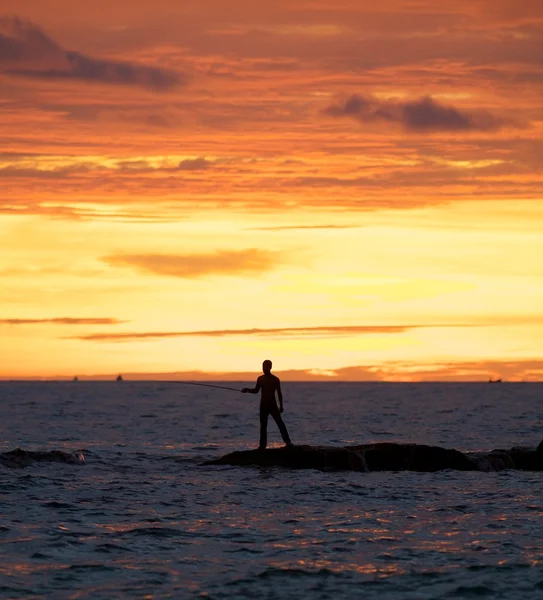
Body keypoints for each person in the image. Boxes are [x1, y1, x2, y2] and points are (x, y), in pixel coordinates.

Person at [242, 360, 293, 450]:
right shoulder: (260, 379)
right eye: (263, 366)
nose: (263, 368)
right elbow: (256, 390)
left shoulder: (275, 379)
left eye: (265, 366)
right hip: (263, 405)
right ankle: (262, 445)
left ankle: (288, 442)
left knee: (280, 423)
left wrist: (281, 406)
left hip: (273, 405)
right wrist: (247, 390)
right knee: (263, 425)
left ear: (270, 367)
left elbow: (279, 393)